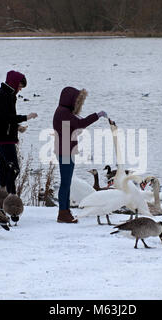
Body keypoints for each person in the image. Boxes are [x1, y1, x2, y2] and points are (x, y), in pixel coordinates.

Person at [53, 86, 107, 223]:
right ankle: (63, 213)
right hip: (65, 151)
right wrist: (97, 115)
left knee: (67, 182)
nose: (78, 104)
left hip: (66, 150)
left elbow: (72, 127)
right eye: (77, 101)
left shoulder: (63, 111)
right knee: (65, 183)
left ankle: (65, 210)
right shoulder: (63, 112)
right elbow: (80, 123)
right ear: (70, 100)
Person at [0, 70, 38, 195]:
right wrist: (26, 117)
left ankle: (2, 201)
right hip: (3, 138)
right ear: (14, 83)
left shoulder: (9, 94)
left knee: (6, 169)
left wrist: (17, 127)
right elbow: (6, 117)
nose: (20, 90)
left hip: (5, 136)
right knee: (14, 169)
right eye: (20, 86)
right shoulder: (3, 95)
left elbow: (5, 118)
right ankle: (8, 196)